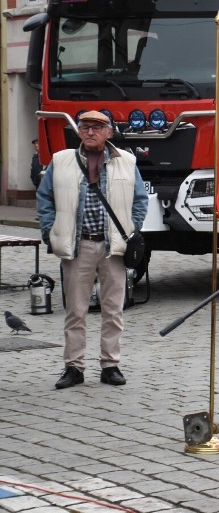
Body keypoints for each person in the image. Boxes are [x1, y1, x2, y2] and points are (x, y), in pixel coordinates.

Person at [37, 110, 148, 389]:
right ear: (79, 131)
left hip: (114, 248)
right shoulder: (61, 161)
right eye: (85, 127)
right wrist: (51, 231)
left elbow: (140, 199)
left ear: (109, 132)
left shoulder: (127, 161)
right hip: (78, 246)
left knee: (113, 310)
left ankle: (110, 366)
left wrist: (131, 227)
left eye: (97, 127)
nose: (90, 132)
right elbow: (44, 197)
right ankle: (74, 367)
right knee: (75, 310)